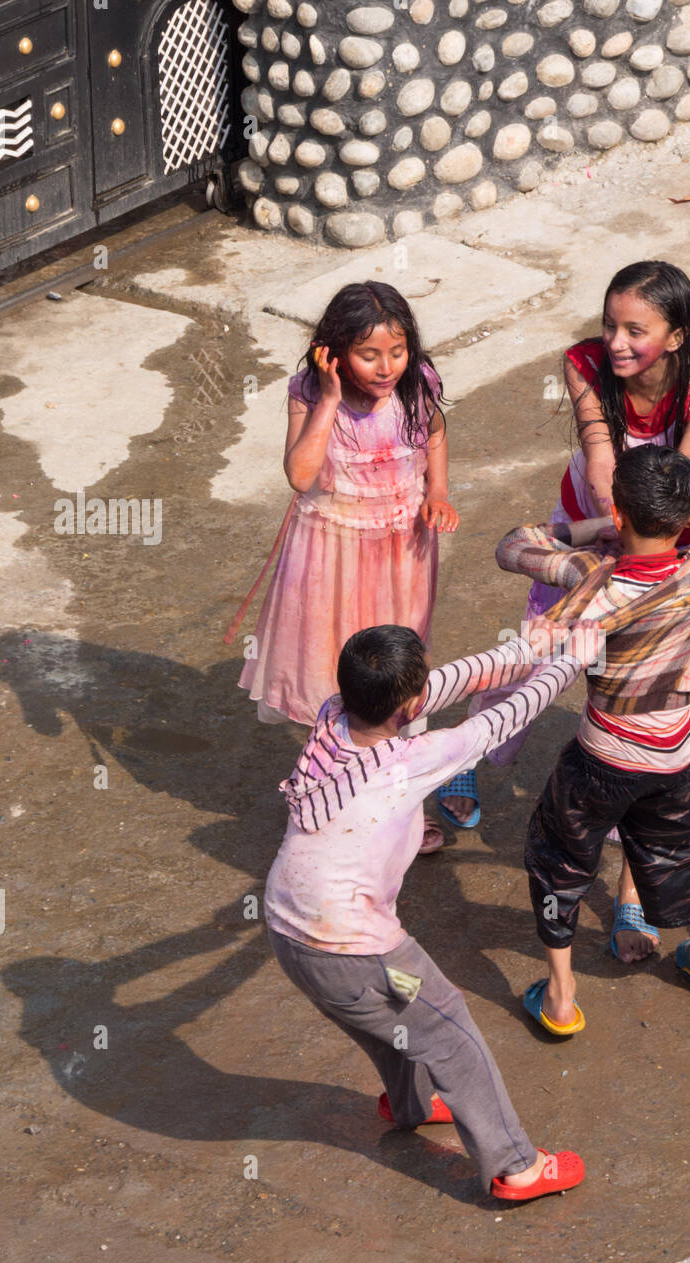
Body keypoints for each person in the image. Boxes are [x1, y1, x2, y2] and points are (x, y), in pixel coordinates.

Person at [439, 262, 690, 955]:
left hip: (654, 562)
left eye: (637, 330)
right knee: (530, 654)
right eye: (610, 325)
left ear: (676, 335)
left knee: (631, 715)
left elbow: (683, 481)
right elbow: (600, 457)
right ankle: (469, 750)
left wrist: (627, 550)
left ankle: (631, 902)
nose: (617, 342)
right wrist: (604, 534)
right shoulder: (584, 365)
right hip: (598, 529)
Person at [265, 621, 603, 1198]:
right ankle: (516, 1165)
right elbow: (506, 716)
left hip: (286, 931)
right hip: (352, 950)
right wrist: (572, 661)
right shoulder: (414, 759)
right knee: (448, 1030)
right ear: (410, 705)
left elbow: (444, 685)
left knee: (382, 1022)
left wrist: (530, 648)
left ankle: (411, 1103)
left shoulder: (331, 714)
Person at [495, 444, 690, 1033]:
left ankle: (560, 998)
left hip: (604, 753)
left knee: (558, 858)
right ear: (688, 516)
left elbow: (512, 544)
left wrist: (594, 529)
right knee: (682, 847)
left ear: (619, 511)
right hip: (677, 747)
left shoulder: (593, 578)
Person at [232, 281, 458, 852]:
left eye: (397, 351)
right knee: (331, 674)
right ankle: (336, 797)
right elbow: (301, 476)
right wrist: (329, 399)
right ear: (333, 352)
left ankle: (407, 807)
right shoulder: (308, 391)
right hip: (328, 553)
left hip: (402, 548)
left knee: (403, 672)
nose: (386, 367)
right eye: (368, 354)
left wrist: (440, 492)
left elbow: (434, 435)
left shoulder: (418, 385)